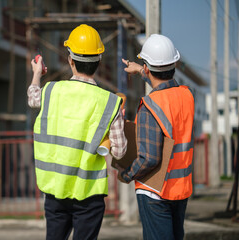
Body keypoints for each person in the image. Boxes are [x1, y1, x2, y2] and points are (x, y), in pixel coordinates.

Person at [27, 24, 127, 240]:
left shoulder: (52, 90)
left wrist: (37, 74)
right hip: (89, 195)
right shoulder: (111, 103)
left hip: (55, 190)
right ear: (99, 61)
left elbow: (33, 97)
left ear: (70, 59)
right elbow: (119, 152)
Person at [116, 34, 195, 240]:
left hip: (154, 191)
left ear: (148, 68)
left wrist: (126, 174)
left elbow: (149, 158)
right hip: (180, 188)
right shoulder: (187, 96)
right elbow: (166, 85)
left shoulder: (150, 105)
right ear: (174, 64)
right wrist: (142, 71)